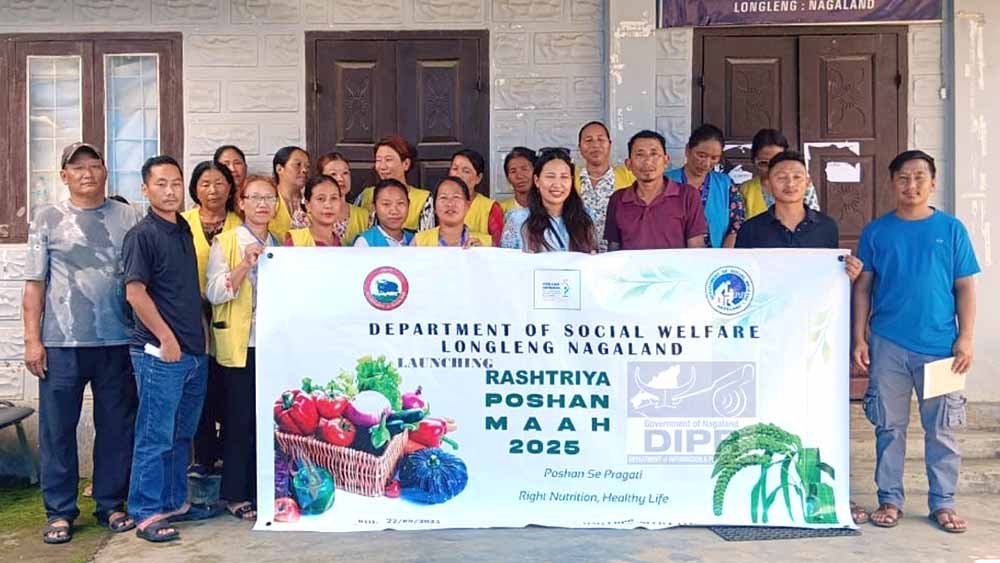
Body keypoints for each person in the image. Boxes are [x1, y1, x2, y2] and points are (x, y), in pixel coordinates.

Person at [852, 151, 978, 533]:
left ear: (933, 182)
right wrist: (859, 337)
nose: (912, 185)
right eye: (904, 178)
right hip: (888, 343)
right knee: (889, 427)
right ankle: (890, 499)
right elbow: (863, 288)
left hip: (941, 347)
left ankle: (943, 502)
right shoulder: (877, 232)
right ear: (893, 183)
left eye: (920, 177)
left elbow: (965, 286)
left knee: (942, 430)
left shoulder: (951, 229)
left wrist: (966, 338)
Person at [23, 143, 141, 544]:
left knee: (117, 427)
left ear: (106, 171)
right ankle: (59, 511)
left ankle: (111, 503)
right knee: (57, 430)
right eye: (78, 168)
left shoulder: (128, 216)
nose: (87, 173)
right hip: (61, 342)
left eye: (94, 165)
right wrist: (33, 340)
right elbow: (35, 285)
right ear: (64, 176)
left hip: (118, 340)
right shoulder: (47, 218)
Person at [123, 156, 208, 543]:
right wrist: (167, 339)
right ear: (145, 189)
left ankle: (174, 503)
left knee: (180, 435)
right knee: (154, 435)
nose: (170, 191)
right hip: (161, 355)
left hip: (193, 353)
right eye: (161, 184)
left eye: (175, 183)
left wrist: (199, 340)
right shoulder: (142, 235)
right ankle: (145, 513)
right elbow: (135, 293)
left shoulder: (184, 228)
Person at [206, 175, 281, 523]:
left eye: (269, 198)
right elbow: (214, 293)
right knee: (239, 420)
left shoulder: (281, 242)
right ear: (242, 203)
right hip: (241, 345)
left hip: (273, 345)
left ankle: (264, 489)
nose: (262, 204)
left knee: (268, 419)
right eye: (255, 197)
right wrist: (244, 265)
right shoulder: (227, 242)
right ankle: (236, 494)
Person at [181, 161, 242, 479]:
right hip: (192, 315)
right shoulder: (182, 222)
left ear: (230, 188)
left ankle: (228, 454)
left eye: (219, 183)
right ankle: (202, 456)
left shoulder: (240, 223)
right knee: (199, 386)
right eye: (205, 183)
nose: (213, 190)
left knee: (229, 389)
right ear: (195, 188)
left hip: (233, 313)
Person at [605, 130, 707, 250]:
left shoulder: (688, 196)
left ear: (666, 161)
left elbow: (696, 247)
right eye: (640, 155)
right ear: (629, 164)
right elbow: (614, 249)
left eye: (654, 154)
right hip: (631, 263)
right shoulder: (618, 199)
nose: (648, 162)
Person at [735, 151, 840, 250]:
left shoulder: (827, 227)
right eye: (781, 177)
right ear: (769, 184)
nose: (790, 184)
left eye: (797, 177)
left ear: (807, 182)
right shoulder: (750, 229)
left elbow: (832, 262)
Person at [665, 124, 745, 248]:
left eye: (714, 158)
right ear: (687, 150)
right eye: (701, 155)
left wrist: (725, 254)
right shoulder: (665, 182)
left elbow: (736, 224)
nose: (706, 163)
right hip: (673, 254)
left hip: (716, 256)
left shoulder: (725, 184)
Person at [502, 148, 596, 253]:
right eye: (550, 176)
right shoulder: (518, 219)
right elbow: (507, 260)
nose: (557, 184)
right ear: (537, 180)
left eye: (564, 177)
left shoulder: (585, 218)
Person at [574, 121, 635, 252]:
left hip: (618, 255)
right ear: (580, 147)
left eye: (601, 139)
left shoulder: (629, 176)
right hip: (578, 255)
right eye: (588, 140)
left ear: (610, 144)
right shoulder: (570, 177)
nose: (595, 145)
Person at [354, 135, 434, 231]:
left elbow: (426, 237)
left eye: (388, 160)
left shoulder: (422, 199)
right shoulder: (365, 196)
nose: (382, 167)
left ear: (406, 164)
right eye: (378, 160)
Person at [739, 129, 820, 220]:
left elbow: (814, 221)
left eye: (777, 162)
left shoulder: (802, 186)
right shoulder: (745, 190)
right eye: (763, 163)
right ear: (754, 161)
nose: (771, 169)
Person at [412, 177, 492, 247]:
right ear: (435, 207)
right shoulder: (419, 242)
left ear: (467, 206)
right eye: (443, 198)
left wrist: (481, 253)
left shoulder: (487, 243)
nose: (450, 204)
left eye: (456, 197)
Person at [448, 149, 504, 246]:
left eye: (466, 171)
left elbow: (501, 245)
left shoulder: (490, 208)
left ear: (478, 178)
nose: (458, 175)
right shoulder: (441, 204)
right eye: (455, 169)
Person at [316, 152, 370, 245]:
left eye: (345, 173)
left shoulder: (365, 217)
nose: (340, 179)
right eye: (333, 174)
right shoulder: (306, 218)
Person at [353, 179, 416, 247]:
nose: (394, 211)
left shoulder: (415, 239)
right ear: (374, 207)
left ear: (408, 204)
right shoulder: (364, 242)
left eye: (400, 203)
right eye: (386, 204)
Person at [284, 175, 343, 246]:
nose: (328, 205)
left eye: (334, 198)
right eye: (320, 199)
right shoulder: (295, 242)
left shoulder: (342, 244)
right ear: (307, 205)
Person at [268, 146, 311, 241]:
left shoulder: (311, 201)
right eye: (298, 164)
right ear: (279, 169)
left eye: (307, 166)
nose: (304, 170)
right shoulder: (268, 201)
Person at [499, 146, 536, 215]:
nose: (519, 176)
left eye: (524, 169)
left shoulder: (549, 208)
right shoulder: (500, 210)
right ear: (508, 178)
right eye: (513, 171)